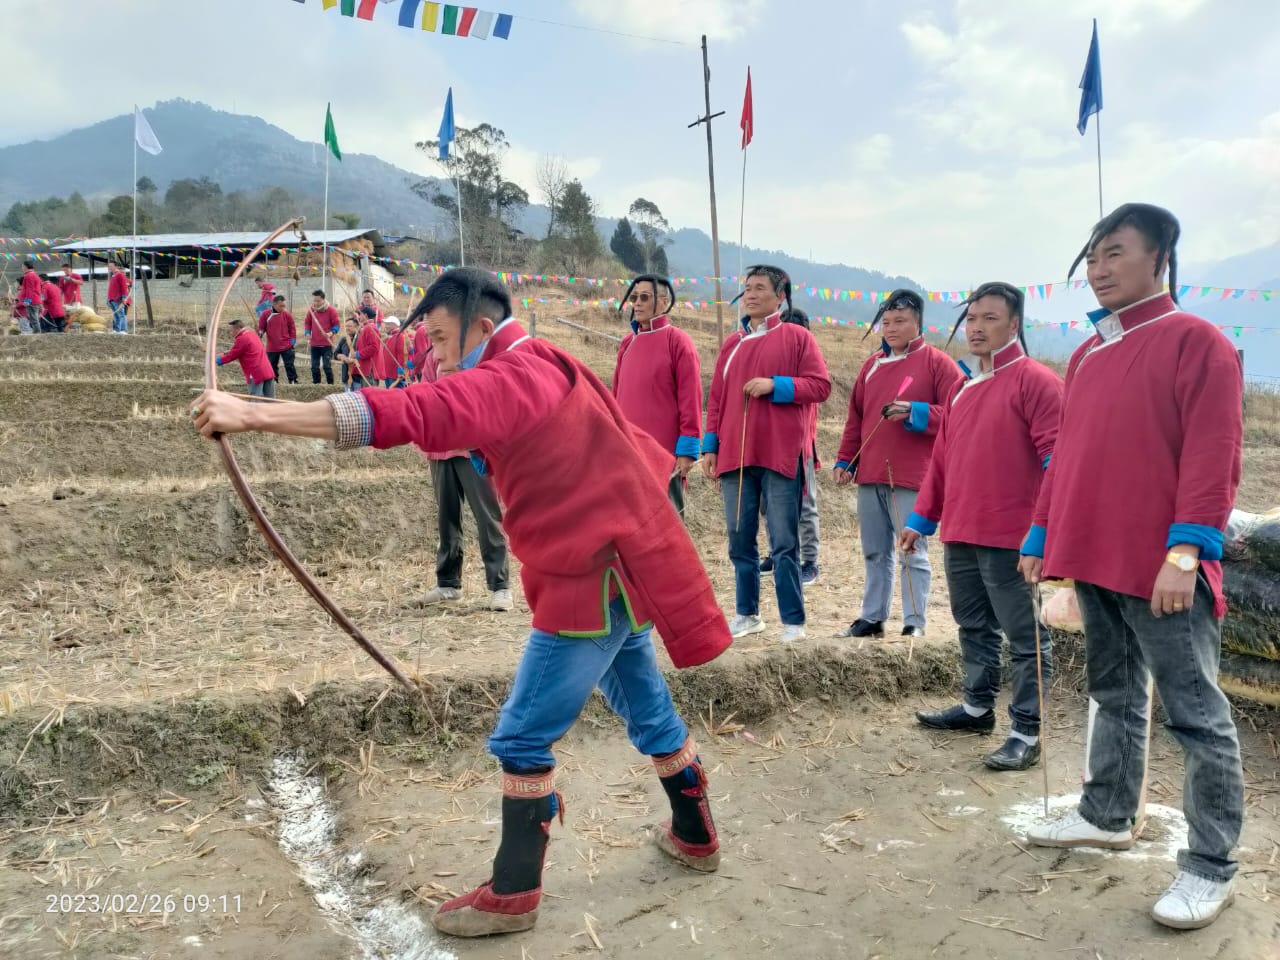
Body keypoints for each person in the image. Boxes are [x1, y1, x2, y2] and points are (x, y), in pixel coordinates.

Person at [190, 267, 731, 938]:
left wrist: (252, 413)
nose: (438, 355)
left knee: (522, 736)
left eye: (443, 339)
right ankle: (694, 833)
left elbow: (415, 411)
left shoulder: (516, 373)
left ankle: (513, 891)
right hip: (616, 570)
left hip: (589, 579)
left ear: (482, 324)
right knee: (647, 710)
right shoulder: (542, 361)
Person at [1019, 204, 1245, 930]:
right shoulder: (1088, 354)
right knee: (1112, 693)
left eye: (1115, 253)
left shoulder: (1196, 341)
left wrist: (1186, 552)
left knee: (1197, 717)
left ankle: (1211, 866)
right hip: (1092, 556)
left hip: (1162, 569)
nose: (1098, 268)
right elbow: (1069, 458)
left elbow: (1215, 455)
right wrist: (1041, 534)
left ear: (1160, 258)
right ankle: (1108, 812)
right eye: (1092, 256)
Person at [901, 282, 1062, 770]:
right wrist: (921, 518)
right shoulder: (962, 388)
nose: (976, 327)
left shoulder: (1035, 381)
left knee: (1025, 636)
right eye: (971, 318)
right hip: (962, 530)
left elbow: (1059, 463)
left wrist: (1041, 530)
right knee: (972, 623)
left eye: (990, 318)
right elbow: (942, 463)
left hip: (1010, 535)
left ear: (1014, 325)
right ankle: (976, 707)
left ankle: (1027, 731)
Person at [703, 265, 832, 643]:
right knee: (739, 539)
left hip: (779, 454)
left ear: (780, 296)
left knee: (783, 541)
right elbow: (716, 399)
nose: (751, 294)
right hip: (735, 457)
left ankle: (793, 621)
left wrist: (775, 385)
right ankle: (747, 613)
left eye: (760, 288)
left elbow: (820, 386)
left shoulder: (797, 338)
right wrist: (710, 445)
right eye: (746, 288)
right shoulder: (732, 344)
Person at [834, 289, 962, 639]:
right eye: (886, 322)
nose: (891, 328)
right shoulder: (871, 365)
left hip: (912, 474)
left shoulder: (938, 363)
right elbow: (855, 419)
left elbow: (958, 413)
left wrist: (916, 411)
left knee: (911, 549)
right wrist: (846, 459)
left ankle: (914, 622)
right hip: (871, 472)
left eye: (900, 321)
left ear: (918, 323)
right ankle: (872, 617)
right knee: (875, 551)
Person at [416, 336, 513, 612]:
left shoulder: (476, 353)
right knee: (446, 517)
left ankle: (500, 586)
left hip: (474, 449)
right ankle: (448, 582)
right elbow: (424, 394)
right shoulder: (432, 358)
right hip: (440, 449)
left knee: (487, 517)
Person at [611, 274, 702, 517]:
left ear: (663, 301)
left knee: (667, 524)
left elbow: (690, 399)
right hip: (627, 450)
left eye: (644, 297)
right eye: (634, 298)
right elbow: (615, 396)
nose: (637, 303)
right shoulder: (627, 343)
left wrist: (687, 450)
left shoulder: (679, 342)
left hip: (664, 454)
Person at [758, 307, 821, 586]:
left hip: (800, 448)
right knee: (768, 504)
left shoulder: (809, 370)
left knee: (805, 505)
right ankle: (777, 552)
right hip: (770, 446)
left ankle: (809, 561)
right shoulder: (771, 367)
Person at [215, 316, 276, 398]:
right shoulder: (252, 334)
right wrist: (226, 353)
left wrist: (219, 360)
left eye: (231, 330)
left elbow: (233, 355)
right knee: (270, 400)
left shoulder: (242, 339)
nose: (231, 333)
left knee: (255, 399)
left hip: (255, 373)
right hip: (267, 370)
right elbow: (244, 349)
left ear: (237, 329)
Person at [303, 289, 341, 385]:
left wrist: (330, 333)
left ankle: (330, 385)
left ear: (323, 299)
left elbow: (336, 325)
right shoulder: (311, 310)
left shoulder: (331, 310)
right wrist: (307, 332)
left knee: (326, 366)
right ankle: (317, 385)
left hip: (326, 344)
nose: (316, 303)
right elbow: (307, 323)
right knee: (314, 367)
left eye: (318, 301)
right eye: (314, 300)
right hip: (314, 344)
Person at [259, 295, 298, 385]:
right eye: (281, 306)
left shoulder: (287, 315)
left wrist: (292, 341)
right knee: (272, 365)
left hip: (287, 345)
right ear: (274, 304)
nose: (283, 308)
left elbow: (292, 329)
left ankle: (292, 381)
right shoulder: (265, 314)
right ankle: (274, 381)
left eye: (284, 306)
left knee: (289, 364)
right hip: (272, 346)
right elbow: (262, 328)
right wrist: (260, 333)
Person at [347, 305, 381, 389]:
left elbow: (374, 347)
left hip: (370, 367)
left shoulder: (370, 328)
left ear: (365, 315)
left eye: (360, 314)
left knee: (370, 393)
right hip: (366, 367)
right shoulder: (367, 327)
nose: (359, 316)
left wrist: (357, 354)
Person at [333, 316, 359, 390]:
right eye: (346, 326)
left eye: (350, 326)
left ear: (356, 327)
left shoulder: (360, 339)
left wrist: (353, 360)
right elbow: (335, 354)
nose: (347, 328)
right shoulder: (344, 339)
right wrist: (342, 357)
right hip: (347, 376)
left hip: (358, 376)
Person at [18, 261, 43, 335]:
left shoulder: (29, 276)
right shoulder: (34, 275)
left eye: (22, 266)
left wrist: (27, 300)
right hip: (36, 299)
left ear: (26, 266)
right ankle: (37, 333)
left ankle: (37, 334)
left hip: (32, 301)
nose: (21, 268)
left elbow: (30, 289)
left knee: (34, 319)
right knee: (34, 319)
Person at [107, 261, 131, 334]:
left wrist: (124, 297)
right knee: (116, 315)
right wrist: (108, 298)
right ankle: (116, 330)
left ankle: (123, 330)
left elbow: (124, 287)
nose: (109, 268)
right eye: (109, 266)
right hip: (112, 299)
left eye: (111, 266)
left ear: (116, 266)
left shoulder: (120, 275)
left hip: (118, 298)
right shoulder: (113, 276)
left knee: (121, 314)